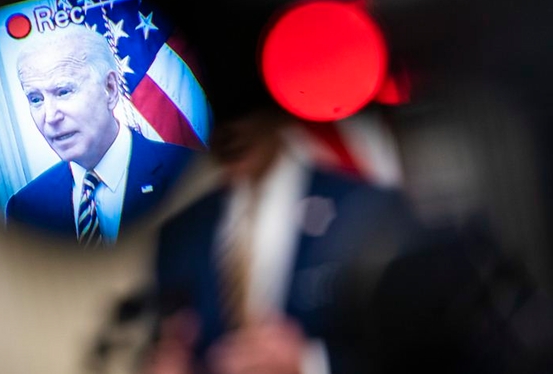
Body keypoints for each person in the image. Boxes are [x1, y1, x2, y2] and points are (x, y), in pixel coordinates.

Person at [145, 108, 551, 374]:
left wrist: (309, 364)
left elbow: (436, 353)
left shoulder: (368, 208)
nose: (230, 125)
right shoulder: (179, 234)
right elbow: (171, 340)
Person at [5, 24, 194, 245]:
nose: (50, 116)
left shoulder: (187, 170)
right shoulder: (25, 209)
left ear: (111, 89)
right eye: (36, 99)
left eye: (64, 92)